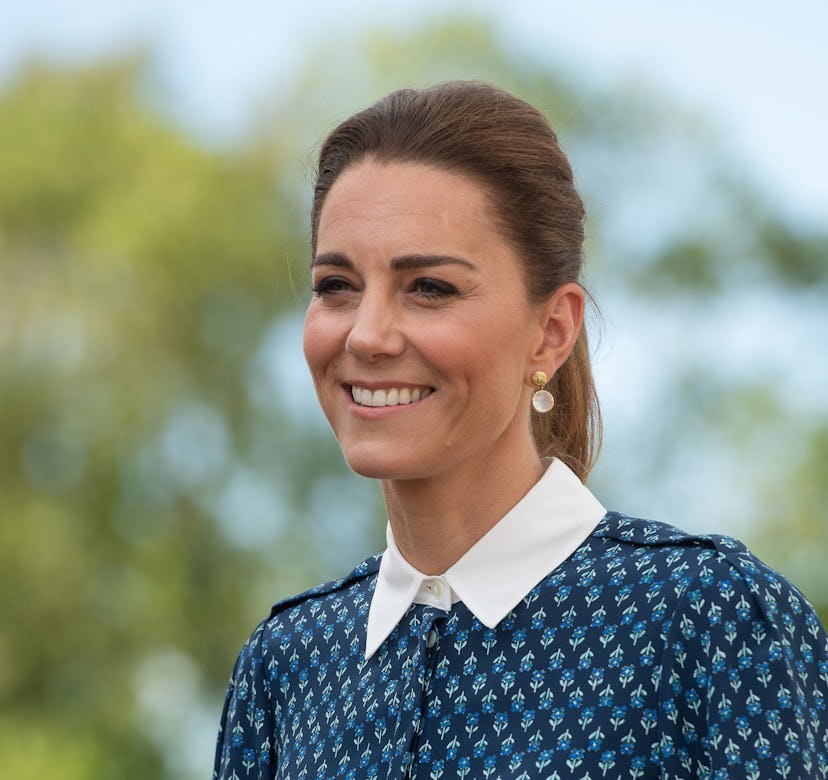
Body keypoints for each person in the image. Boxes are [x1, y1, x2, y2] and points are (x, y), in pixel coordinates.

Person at [213, 81, 828, 779]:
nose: (368, 334)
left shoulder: (709, 620)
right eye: (336, 286)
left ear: (551, 331)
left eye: (430, 288)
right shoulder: (287, 663)